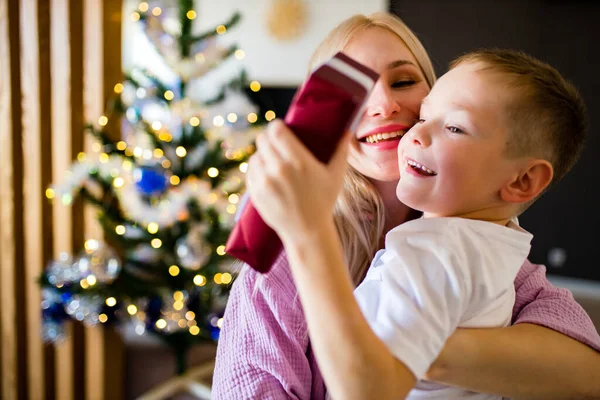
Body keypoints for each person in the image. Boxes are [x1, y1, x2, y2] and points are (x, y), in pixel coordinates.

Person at [213, 12, 600, 400]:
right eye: (355, 91)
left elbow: (588, 370)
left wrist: (412, 348)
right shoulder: (280, 263)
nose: (383, 104)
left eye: (403, 82)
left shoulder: (475, 243)